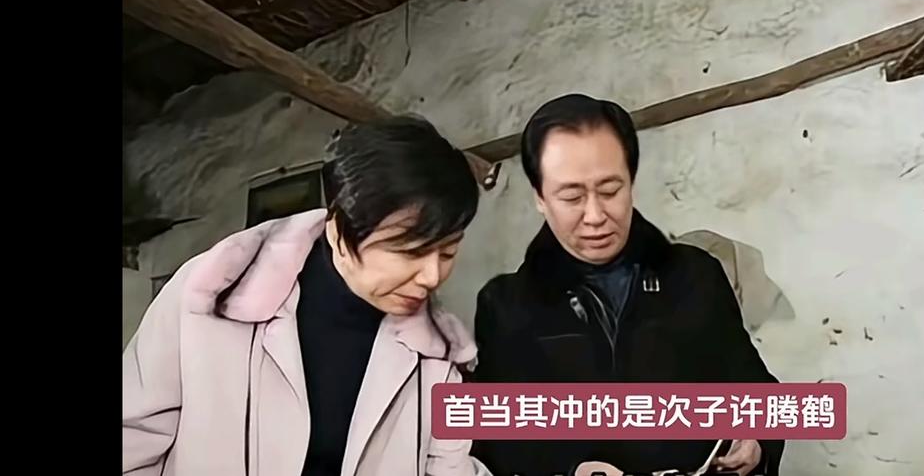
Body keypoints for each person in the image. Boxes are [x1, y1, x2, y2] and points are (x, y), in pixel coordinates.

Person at [123, 117, 491, 476]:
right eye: (410, 251)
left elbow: (450, 466)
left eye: (447, 252)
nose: (432, 276)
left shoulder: (439, 359)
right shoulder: (208, 296)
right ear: (340, 228)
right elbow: (133, 439)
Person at [471, 95, 784, 476]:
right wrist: (570, 468)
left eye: (609, 191)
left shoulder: (694, 275)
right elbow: (497, 437)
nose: (595, 216)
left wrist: (756, 441)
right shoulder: (507, 305)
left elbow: (755, 389)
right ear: (540, 198)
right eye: (571, 197)